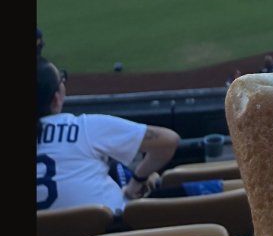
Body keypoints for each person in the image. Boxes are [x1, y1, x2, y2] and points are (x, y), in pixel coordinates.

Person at [36, 62, 180, 214]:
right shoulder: (86, 126)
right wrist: (138, 180)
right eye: (62, 79)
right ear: (56, 98)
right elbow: (169, 141)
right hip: (113, 232)